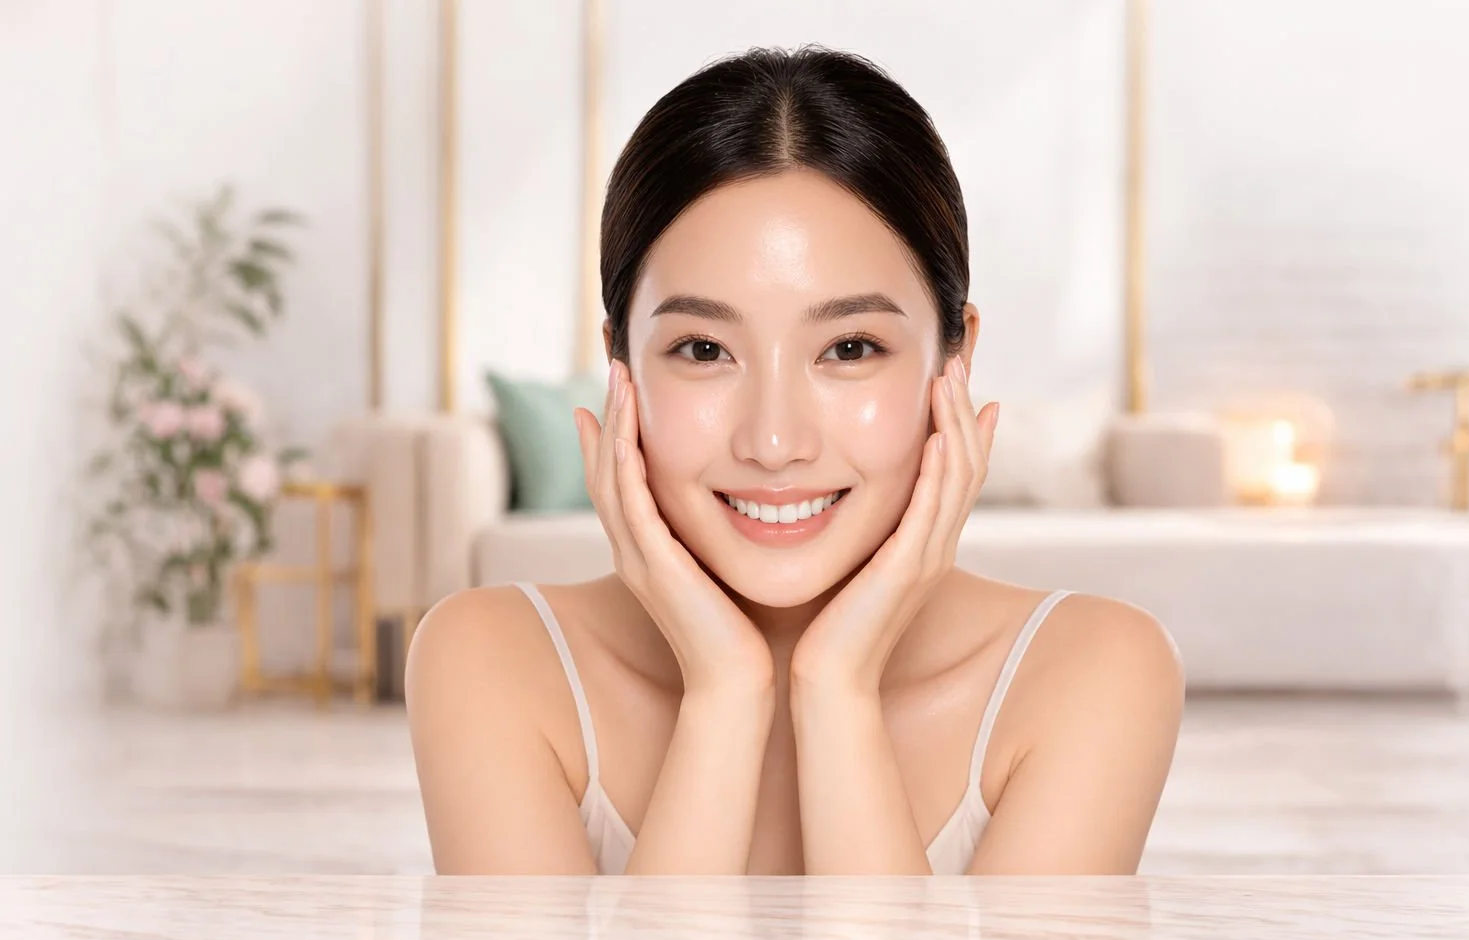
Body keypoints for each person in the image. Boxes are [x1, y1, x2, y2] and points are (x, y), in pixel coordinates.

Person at [406, 45, 1184, 876]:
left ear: (954, 360)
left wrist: (838, 692)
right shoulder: (491, 660)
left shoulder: (1094, 672)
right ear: (621, 366)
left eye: (849, 348)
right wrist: (725, 695)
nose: (773, 443)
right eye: (704, 349)